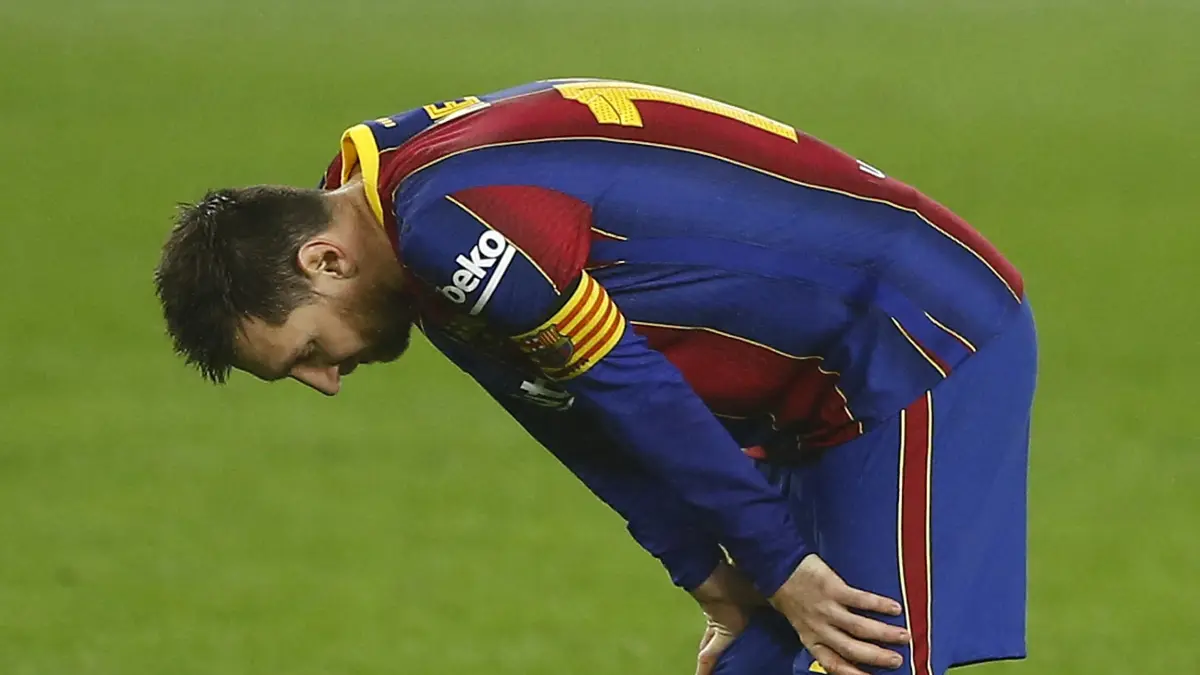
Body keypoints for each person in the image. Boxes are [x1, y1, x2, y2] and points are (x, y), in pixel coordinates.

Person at [154, 79, 1036, 675]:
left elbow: (629, 386)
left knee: (860, 657)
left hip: (910, 335)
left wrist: (777, 562)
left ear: (324, 259)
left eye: (307, 351)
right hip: (805, 392)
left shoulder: (444, 225)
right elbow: (563, 407)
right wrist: (711, 575)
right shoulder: (390, 215)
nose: (327, 381)